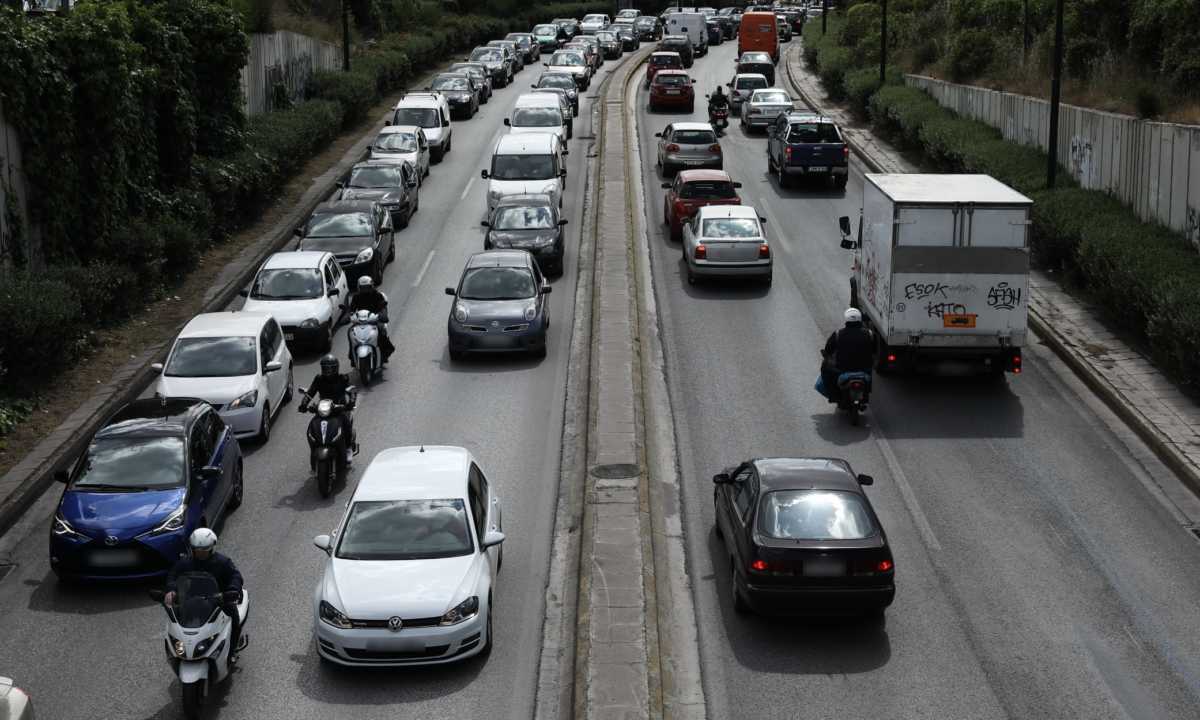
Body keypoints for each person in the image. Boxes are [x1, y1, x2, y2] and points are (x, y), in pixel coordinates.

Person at [164, 529, 246, 662]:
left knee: (234, 618)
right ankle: (183, 649)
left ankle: (232, 650)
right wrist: (171, 590)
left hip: (221, 599)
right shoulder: (186, 562)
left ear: (211, 548)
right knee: (182, 620)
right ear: (193, 549)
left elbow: (235, 576)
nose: (200, 553)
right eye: (197, 550)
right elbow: (173, 575)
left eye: (204, 550)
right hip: (194, 598)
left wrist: (232, 589)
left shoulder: (223, 562)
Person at [299, 354, 357, 462]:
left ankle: (348, 448)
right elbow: (310, 392)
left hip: (339, 409)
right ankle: (314, 448)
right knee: (311, 427)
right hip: (323, 410)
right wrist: (304, 404)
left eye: (330, 368)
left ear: (336, 368)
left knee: (346, 424)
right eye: (325, 368)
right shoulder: (319, 379)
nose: (327, 371)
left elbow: (351, 390)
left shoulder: (342, 378)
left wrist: (351, 402)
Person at [819, 308, 875, 403]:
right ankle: (867, 391)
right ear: (860, 320)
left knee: (825, 368)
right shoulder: (869, 334)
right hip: (864, 368)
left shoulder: (837, 334)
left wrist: (827, 356)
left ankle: (833, 395)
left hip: (842, 368)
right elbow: (875, 351)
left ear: (846, 320)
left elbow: (828, 350)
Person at [348, 275, 395, 364]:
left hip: (374, 320)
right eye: (363, 288)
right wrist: (348, 315)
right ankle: (352, 355)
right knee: (350, 332)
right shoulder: (356, 297)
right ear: (359, 288)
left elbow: (383, 307)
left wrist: (382, 314)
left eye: (367, 288)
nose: (365, 290)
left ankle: (385, 352)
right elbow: (352, 309)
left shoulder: (377, 296)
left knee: (381, 330)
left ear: (371, 287)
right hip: (360, 321)